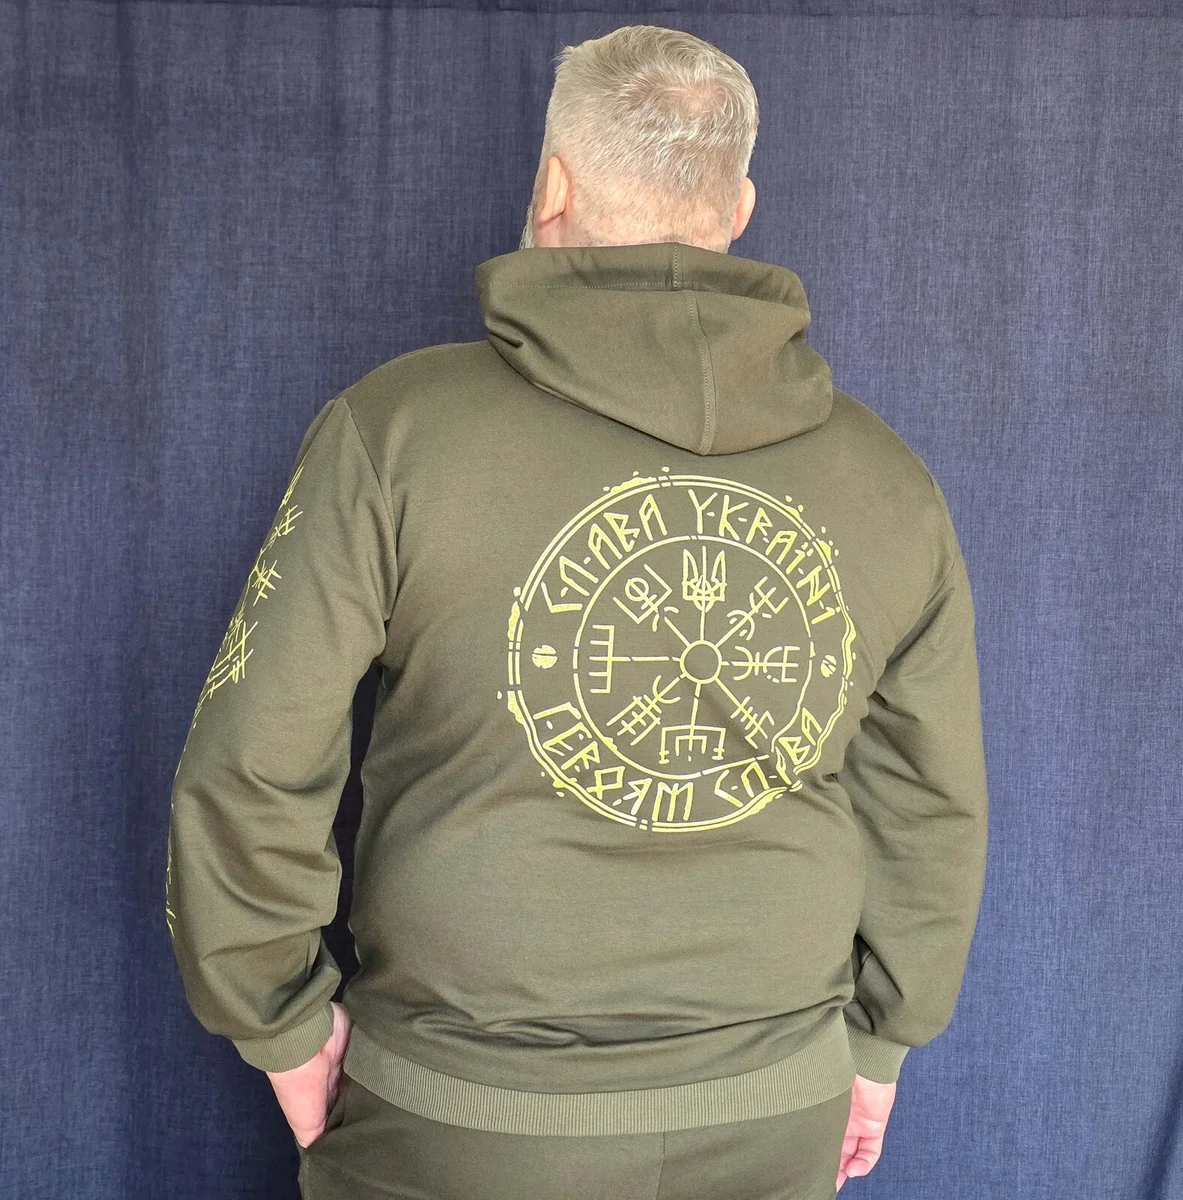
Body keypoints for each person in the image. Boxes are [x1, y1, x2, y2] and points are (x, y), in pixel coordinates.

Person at [165, 23, 989, 1200]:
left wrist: (280, 1022)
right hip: (773, 1115)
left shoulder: (396, 432)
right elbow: (929, 809)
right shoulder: (889, 483)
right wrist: (879, 1043)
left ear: (551, 184)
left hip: (456, 1120)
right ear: (739, 206)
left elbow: (254, 762)